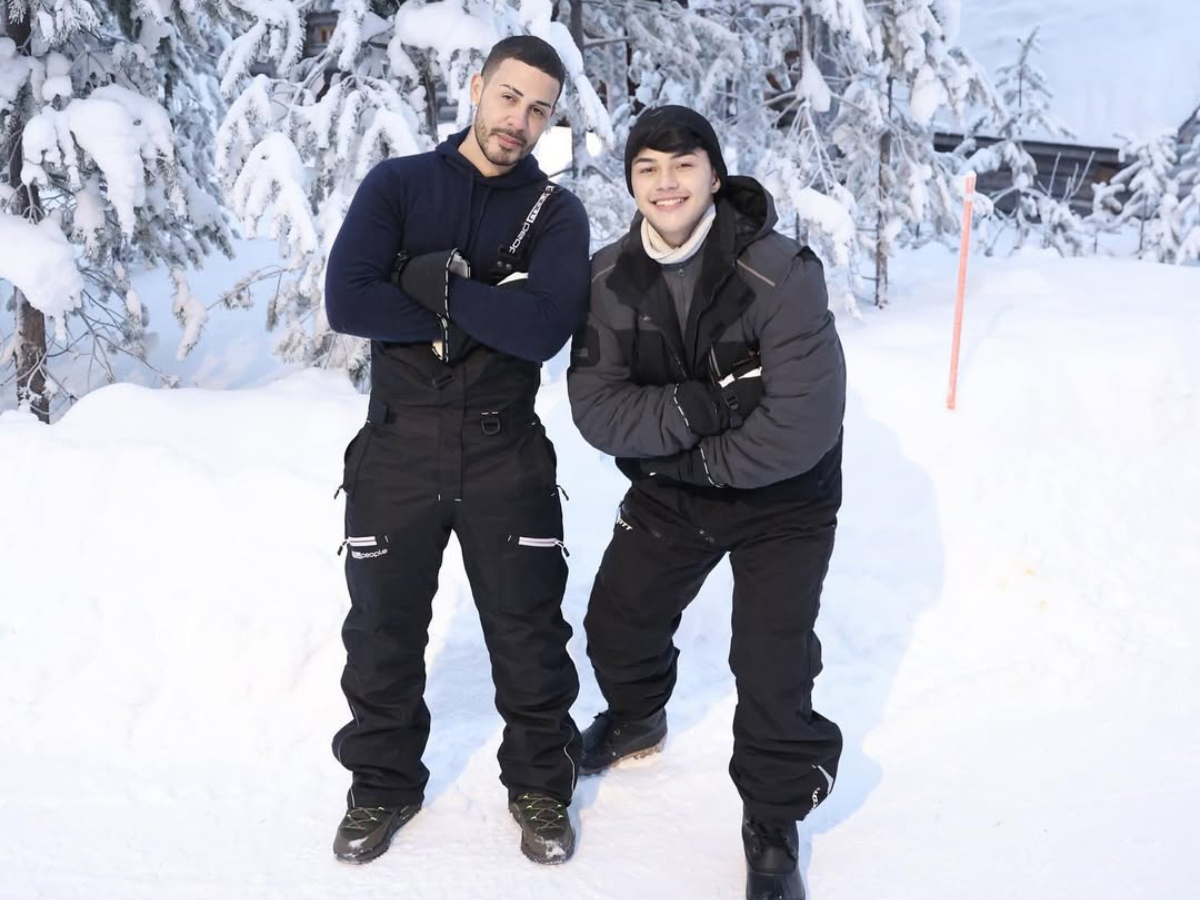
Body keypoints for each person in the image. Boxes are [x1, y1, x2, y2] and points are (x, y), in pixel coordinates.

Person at [567, 105, 846, 900]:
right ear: (630, 181)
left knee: (771, 662)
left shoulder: (782, 271)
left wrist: (688, 451)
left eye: (683, 166)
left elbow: (801, 425)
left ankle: (772, 823)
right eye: (648, 168)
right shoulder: (606, 277)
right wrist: (703, 408)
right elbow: (598, 408)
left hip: (784, 500)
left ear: (714, 175)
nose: (666, 183)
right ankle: (637, 715)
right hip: (673, 489)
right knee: (617, 622)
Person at [323, 35, 589, 867]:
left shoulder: (556, 211)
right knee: (382, 633)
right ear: (477, 88)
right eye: (509, 97)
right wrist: (483, 303)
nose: (520, 120)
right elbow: (346, 299)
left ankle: (541, 785)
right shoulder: (398, 185)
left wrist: (431, 284)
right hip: (397, 446)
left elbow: (544, 328)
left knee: (529, 631)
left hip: (505, 451)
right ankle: (382, 786)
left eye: (539, 109)